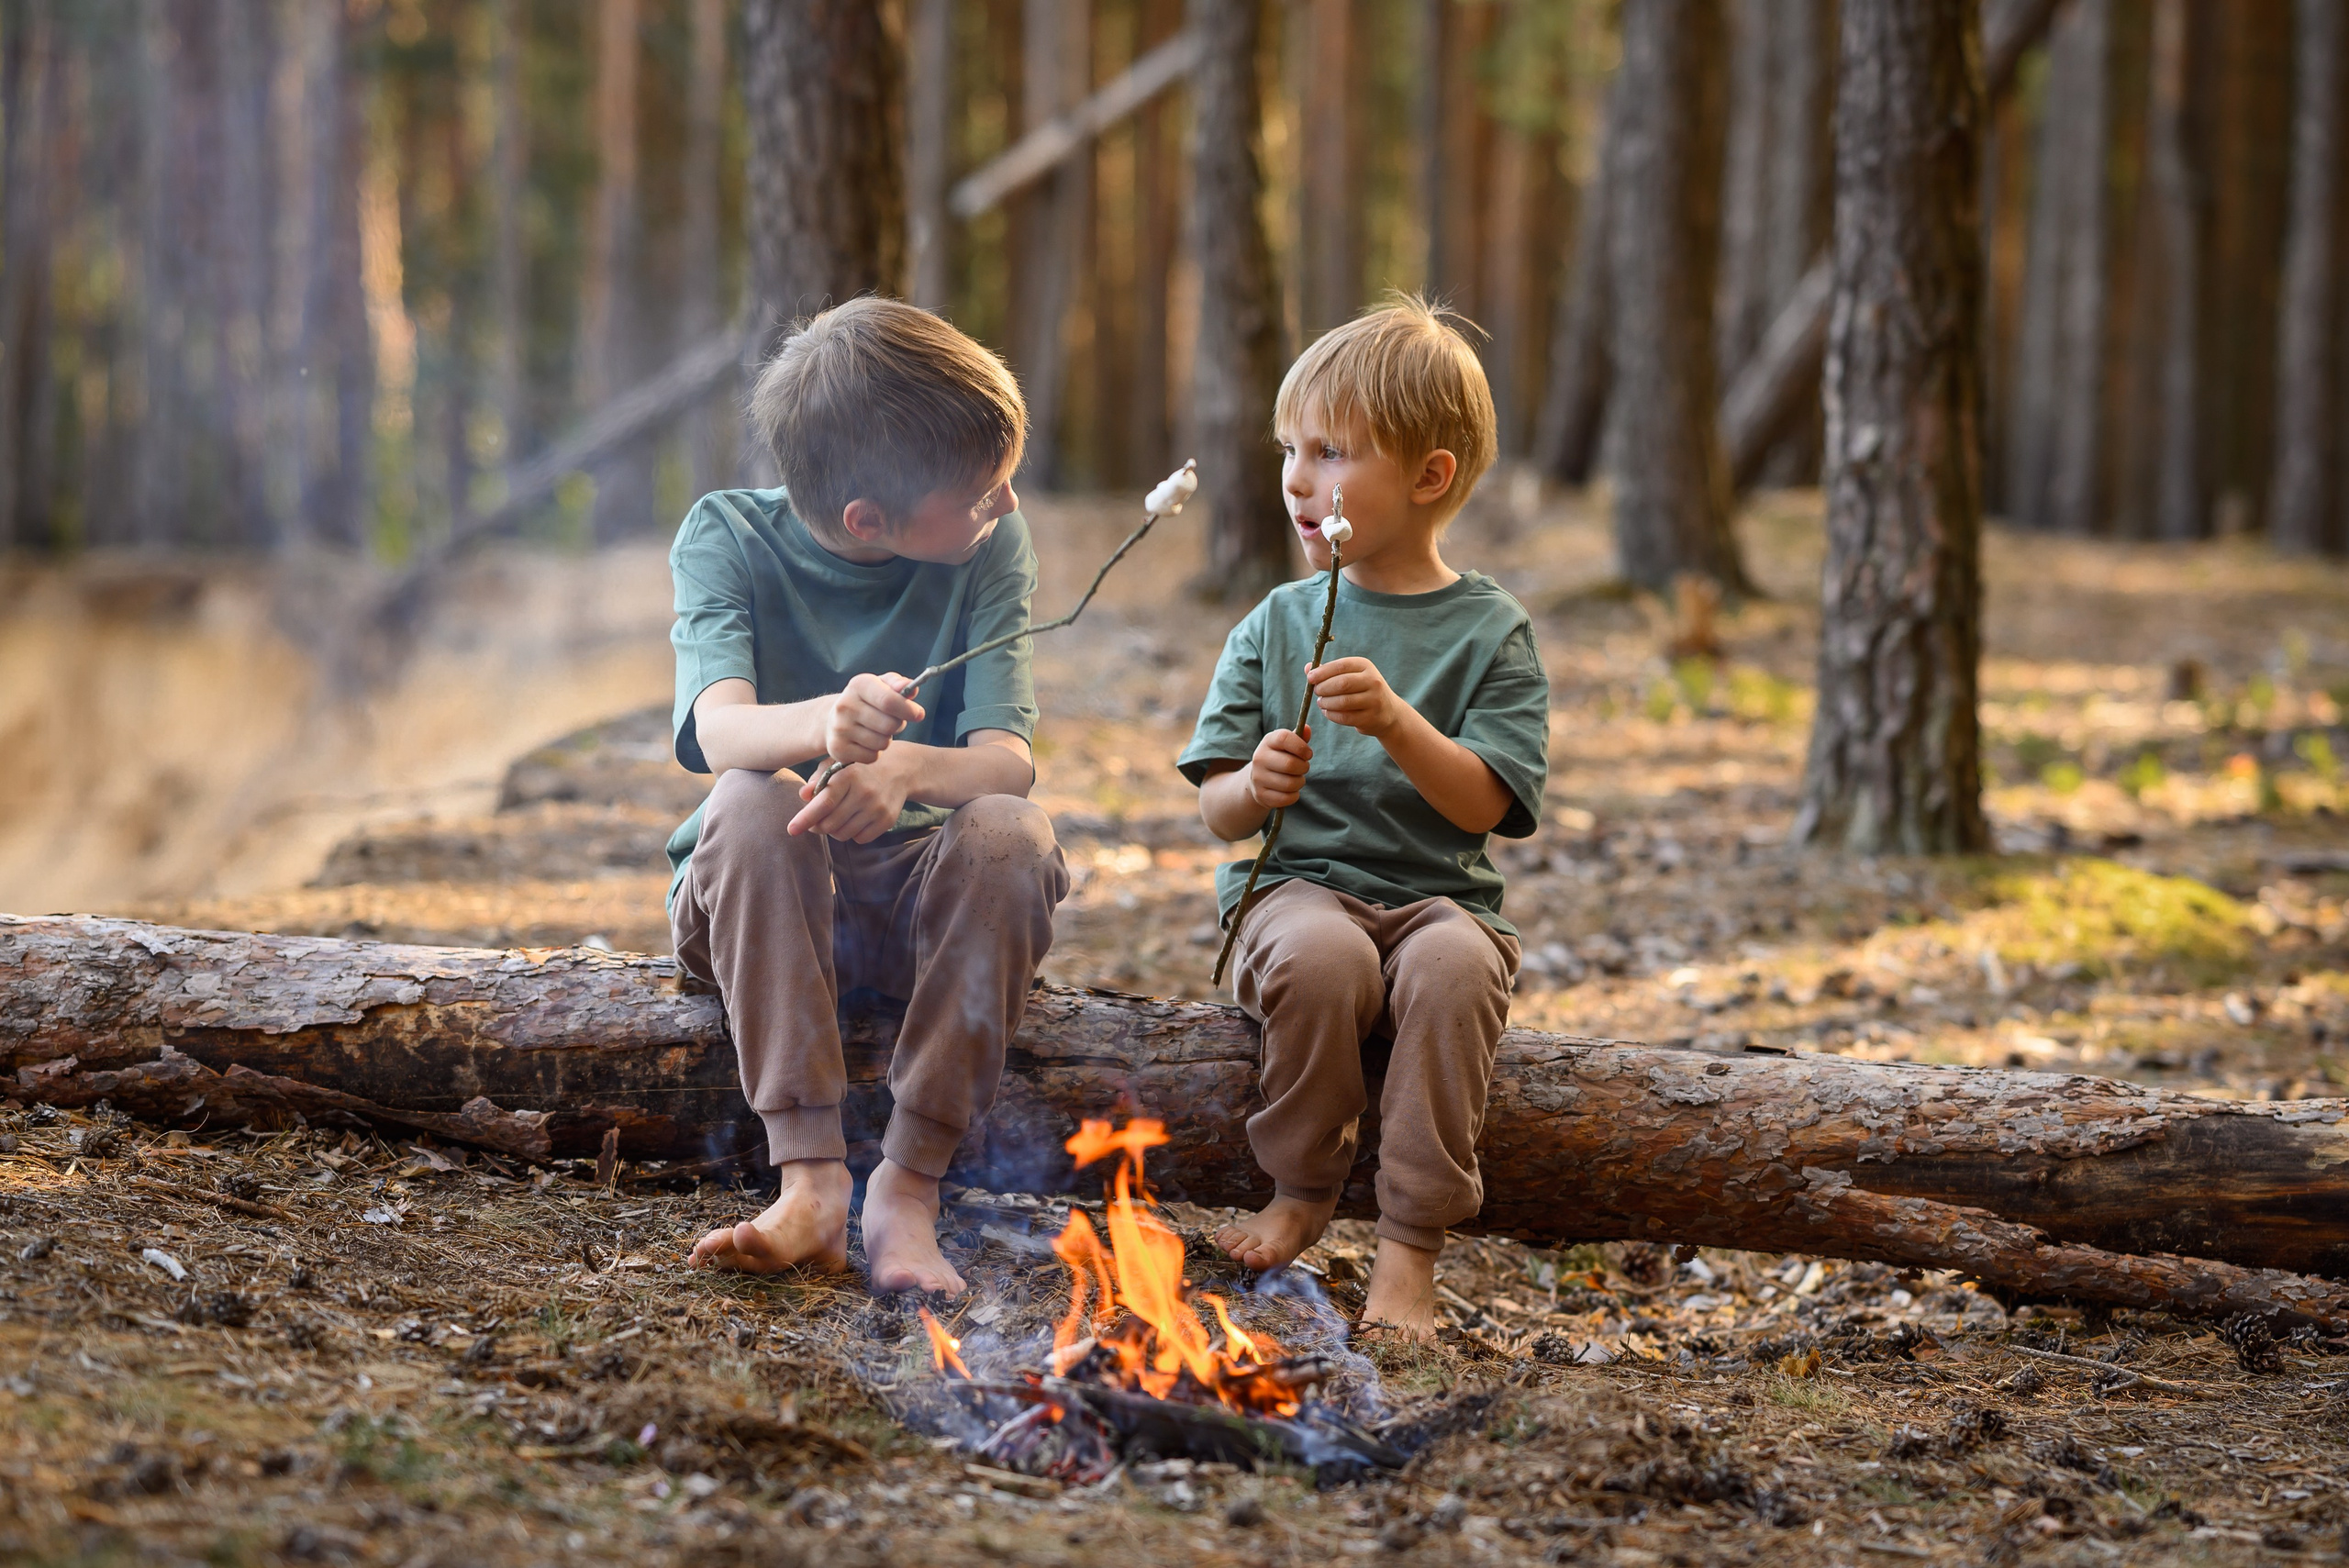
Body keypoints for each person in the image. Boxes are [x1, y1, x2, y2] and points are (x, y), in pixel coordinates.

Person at [671, 297, 1068, 1296]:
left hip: (918, 906)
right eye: (980, 491)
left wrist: (904, 772)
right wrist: (825, 723)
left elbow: (1006, 761)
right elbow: (718, 733)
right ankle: (809, 1180)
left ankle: (908, 1185)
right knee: (752, 801)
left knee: (1012, 834)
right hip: (757, 907)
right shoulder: (725, 534)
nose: (1007, 502)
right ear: (868, 521)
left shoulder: (991, 544)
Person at [1177, 296, 1550, 1334]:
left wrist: (1394, 721)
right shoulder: (1277, 621)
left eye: (1330, 451)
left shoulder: (1491, 631)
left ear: (1429, 477)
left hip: (1439, 901)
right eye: (1290, 449)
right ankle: (1302, 1187)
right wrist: (1256, 784)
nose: (1297, 478)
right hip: (1299, 891)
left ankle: (1410, 1244)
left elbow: (1485, 800)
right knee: (1324, 959)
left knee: (1457, 969)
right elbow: (1216, 811)